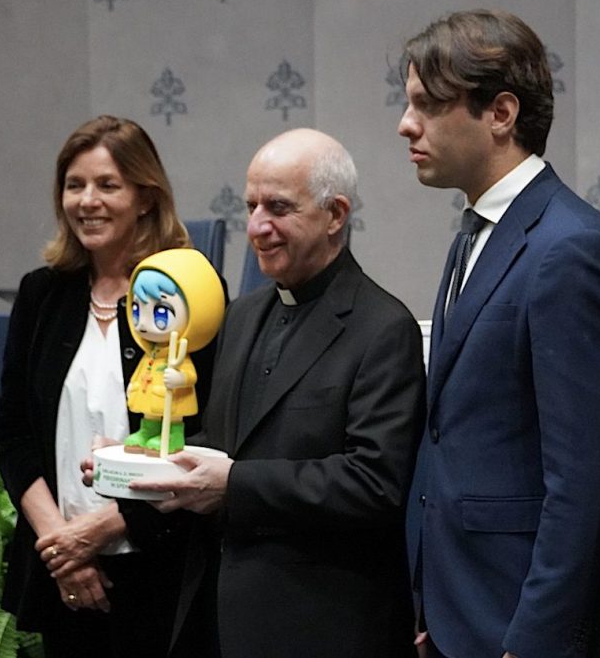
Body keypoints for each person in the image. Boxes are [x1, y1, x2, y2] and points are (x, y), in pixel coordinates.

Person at [398, 9, 600, 658]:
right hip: (458, 614)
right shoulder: (474, 235)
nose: (406, 124)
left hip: (517, 627)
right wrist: (430, 601)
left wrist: (539, 637)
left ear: (501, 113)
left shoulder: (572, 249)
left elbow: (584, 477)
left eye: (427, 104)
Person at [132, 128, 426, 658]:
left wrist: (234, 484)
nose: (256, 227)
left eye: (278, 208)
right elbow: (226, 443)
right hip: (217, 616)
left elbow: (374, 484)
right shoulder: (241, 315)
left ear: (335, 215)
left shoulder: (383, 328)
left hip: (320, 624)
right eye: (251, 206)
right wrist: (146, 459)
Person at [0, 115, 212, 657]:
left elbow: (203, 438)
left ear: (145, 197)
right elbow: (12, 432)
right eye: (75, 185)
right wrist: (62, 546)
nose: (87, 201)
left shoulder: (186, 294)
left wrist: (103, 530)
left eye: (107, 185)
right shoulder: (41, 295)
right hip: (61, 567)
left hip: (156, 566)